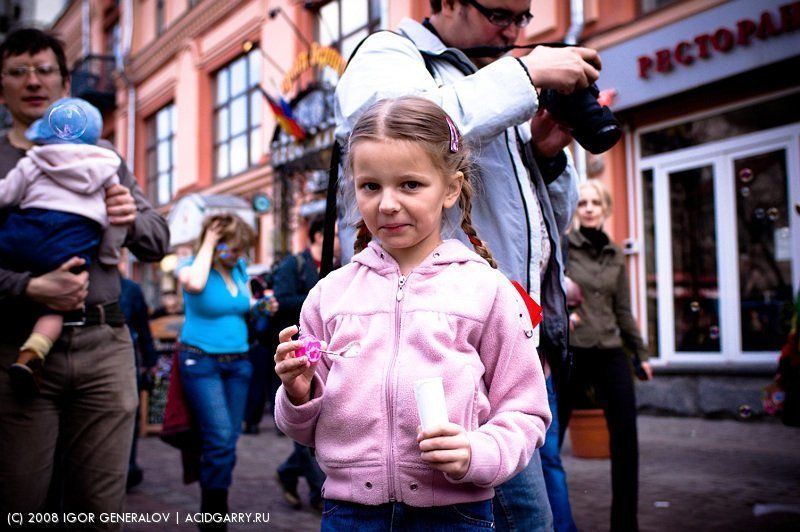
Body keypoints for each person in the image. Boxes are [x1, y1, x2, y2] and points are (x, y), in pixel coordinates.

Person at [333, 1, 600, 529]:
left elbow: (553, 221)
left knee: (540, 503)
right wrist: (526, 72)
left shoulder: (490, 85)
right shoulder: (394, 55)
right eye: (502, 13)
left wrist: (545, 157)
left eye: (524, 17)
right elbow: (398, 133)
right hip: (452, 354)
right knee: (524, 518)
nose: (515, 31)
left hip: (519, 345)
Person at [275, 96, 550, 529]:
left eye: (409, 185)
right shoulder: (330, 294)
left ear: (451, 189)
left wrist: (477, 452)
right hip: (349, 514)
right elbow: (302, 429)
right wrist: (298, 393)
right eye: (370, 186)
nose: (387, 204)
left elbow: (526, 410)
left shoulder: (486, 290)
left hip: (455, 514)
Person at [0, 28, 168, 526]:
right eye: (18, 71)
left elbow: (157, 241)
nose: (33, 81)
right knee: (21, 504)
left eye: (45, 70)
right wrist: (27, 287)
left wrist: (130, 214)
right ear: (1, 85)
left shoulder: (105, 156)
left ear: (64, 83)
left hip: (103, 345)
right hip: (16, 348)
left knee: (98, 509)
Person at [0, 96, 127, 398]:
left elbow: (8, 194)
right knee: (62, 300)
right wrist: (109, 254)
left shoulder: (35, 159)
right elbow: (116, 219)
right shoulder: (105, 167)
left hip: (28, 232)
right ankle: (34, 350)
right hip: (75, 243)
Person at [565, 179, 653, 532]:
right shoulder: (563, 247)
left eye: (595, 202)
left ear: (605, 209)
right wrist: (561, 315)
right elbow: (547, 290)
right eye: (582, 202)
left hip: (611, 350)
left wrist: (641, 353)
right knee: (549, 440)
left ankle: (625, 524)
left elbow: (623, 309)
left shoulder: (616, 254)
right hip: (573, 351)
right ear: (576, 209)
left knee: (626, 440)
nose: (588, 207)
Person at [176, 213, 258, 530]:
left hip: (239, 363)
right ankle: (213, 516)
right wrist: (209, 240)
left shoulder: (237, 268)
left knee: (226, 439)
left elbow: (241, 306)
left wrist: (262, 306)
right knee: (221, 438)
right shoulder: (189, 267)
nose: (238, 255)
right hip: (202, 362)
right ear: (217, 244)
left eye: (241, 249)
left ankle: (213, 503)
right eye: (232, 248)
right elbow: (196, 285)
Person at [272, 215, 337, 511]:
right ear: (320, 235)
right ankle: (317, 493)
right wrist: (319, 299)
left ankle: (288, 472)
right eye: (335, 235)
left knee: (316, 421)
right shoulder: (294, 265)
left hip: (327, 351)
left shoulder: (338, 268)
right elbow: (282, 299)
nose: (339, 242)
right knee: (307, 417)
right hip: (298, 352)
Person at [118, 252, 159, 491]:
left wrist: (151, 361)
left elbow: (143, 330)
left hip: (127, 358)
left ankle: (128, 465)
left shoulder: (131, 289)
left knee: (128, 413)